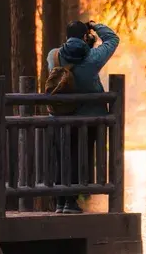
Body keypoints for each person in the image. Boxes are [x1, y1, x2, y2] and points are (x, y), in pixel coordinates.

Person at [47, 20, 120, 213]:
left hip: (61, 116)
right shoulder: (93, 58)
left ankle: (61, 202)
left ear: (66, 36)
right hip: (89, 119)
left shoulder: (53, 56)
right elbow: (113, 39)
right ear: (83, 36)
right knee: (81, 159)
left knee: (63, 157)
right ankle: (72, 202)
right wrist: (95, 26)